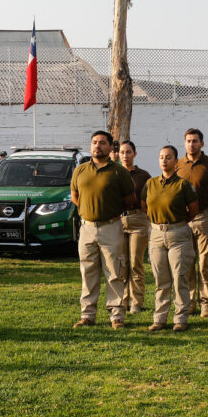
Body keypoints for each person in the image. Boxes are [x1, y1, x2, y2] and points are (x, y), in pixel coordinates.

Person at [71, 130, 135, 329]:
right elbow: (75, 196)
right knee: (88, 272)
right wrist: (87, 212)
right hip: (87, 228)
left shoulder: (119, 172)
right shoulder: (80, 170)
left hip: (111, 227)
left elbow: (130, 200)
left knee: (114, 272)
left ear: (110, 147)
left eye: (102, 143)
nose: (97, 146)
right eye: (94, 142)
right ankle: (87, 315)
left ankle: (117, 316)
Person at [141, 145, 198, 331]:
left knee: (180, 277)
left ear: (175, 161)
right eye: (161, 157)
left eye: (169, 157)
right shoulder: (151, 183)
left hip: (179, 234)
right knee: (161, 279)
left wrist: (177, 223)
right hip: (157, 234)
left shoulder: (183, 184)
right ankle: (160, 318)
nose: (164, 160)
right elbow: (144, 205)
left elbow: (194, 210)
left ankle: (180, 319)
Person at [175, 128, 208, 318]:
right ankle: (191, 301)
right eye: (188, 141)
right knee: (187, 263)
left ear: (202, 143)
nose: (191, 144)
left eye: (195, 141)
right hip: (183, 220)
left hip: (205, 218)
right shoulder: (177, 165)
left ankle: (206, 304)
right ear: (184, 143)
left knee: (205, 264)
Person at [118, 140, 151, 314]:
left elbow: (149, 199)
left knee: (135, 262)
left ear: (134, 154)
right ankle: (123, 300)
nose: (125, 156)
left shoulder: (143, 176)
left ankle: (136, 302)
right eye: (122, 152)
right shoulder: (114, 173)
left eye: (128, 152)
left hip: (138, 220)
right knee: (122, 263)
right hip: (118, 221)